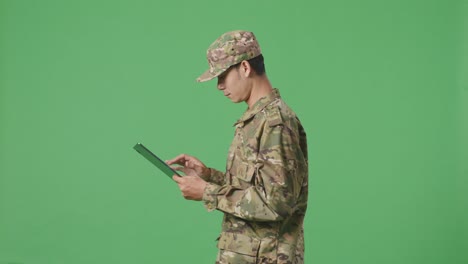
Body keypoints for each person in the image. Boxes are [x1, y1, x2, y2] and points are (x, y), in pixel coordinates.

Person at [166, 30, 309, 264]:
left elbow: (277, 204)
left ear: (245, 67)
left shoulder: (275, 123)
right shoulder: (256, 121)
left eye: (222, 76)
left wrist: (206, 192)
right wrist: (208, 176)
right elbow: (256, 189)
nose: (219, 86)